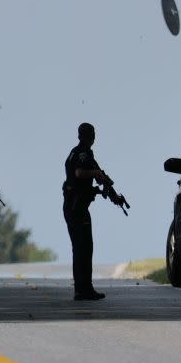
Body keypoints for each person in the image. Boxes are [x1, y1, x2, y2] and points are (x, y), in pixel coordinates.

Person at [62, 122, 110, 300]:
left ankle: (82, 288)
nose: (94, 138)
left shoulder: (76, 152)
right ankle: (84, 289)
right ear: (88, 136)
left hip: (74, 205)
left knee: (80, 248)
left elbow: (87, 176)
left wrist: (101, 185)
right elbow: (79, 173)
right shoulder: (82, 153)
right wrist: (96, 175)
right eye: (92, 134)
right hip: (77, 207)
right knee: (84, 248)